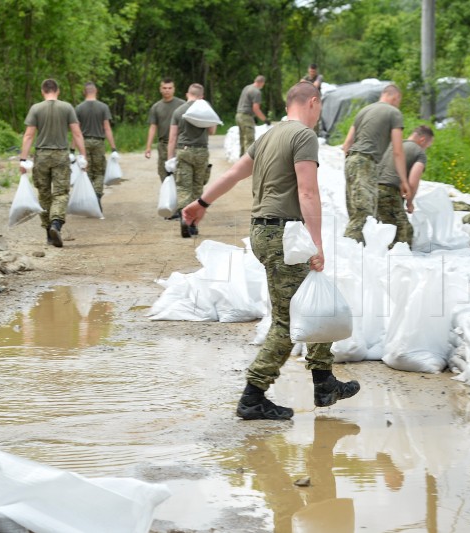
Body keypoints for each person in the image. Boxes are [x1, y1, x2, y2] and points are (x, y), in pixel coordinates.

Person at [183, 82, 360, 420]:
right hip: (286, 235)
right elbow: (308, 192)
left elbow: (234, 173)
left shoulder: (268, 136)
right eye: (319, 107)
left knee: (313, 303)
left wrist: (201, 202)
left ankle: (324, 382)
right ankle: (253, 395)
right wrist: (317, 244)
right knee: (288, 319)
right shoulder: (303, 136)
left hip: (265, 232)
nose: (319, 113)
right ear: (312, 102)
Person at [19, 78, 87, 248]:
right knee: (61, 193)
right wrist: (82, 156)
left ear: (43, 91)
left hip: (41, 156)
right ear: (58, 91)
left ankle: (48, 231)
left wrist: (23, 159)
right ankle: (56, 224)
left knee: (44, 193)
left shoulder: (36, 108)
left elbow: (28, 136)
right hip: (61, 156)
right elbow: (77, 134)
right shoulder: (67, 107)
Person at [341, 84, 407, 244]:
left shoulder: (364, 110)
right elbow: (398, 151)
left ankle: (357, 256)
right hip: (365, 163)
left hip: (350, 161)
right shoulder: (394, 113)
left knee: (355, 213)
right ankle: (346, 254)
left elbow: (346, 145)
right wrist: (404, 181)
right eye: (399, 101)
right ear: (395, 97)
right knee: (364, 215)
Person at [168, 83, 217, 238]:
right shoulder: (206, 108)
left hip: (184, 151)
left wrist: (169, 159)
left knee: (183, 188)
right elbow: (212, 131)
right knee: (197, 188)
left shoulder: (178, 111)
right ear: (201, 96)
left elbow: (173, 137)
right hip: (202, 151)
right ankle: (194, 225)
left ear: (187, 94)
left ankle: (184, 218)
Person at [376, 125, 434, 248]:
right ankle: (397, 264)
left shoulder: (393, 145)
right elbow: (413, 180)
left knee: (380, 230)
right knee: (404, 235)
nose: (426, 149)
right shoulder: (419, 153)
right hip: (389, 192)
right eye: (427, 146)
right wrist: (409, 202)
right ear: (422, 140)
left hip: (373, 191)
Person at [75, 82, 116, 211]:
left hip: (84, 142)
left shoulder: (79, 108)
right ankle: (97, 195)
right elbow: (107, 128)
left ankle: (89, 197)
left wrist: (72, 148)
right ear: (96, 91)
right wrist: (113, 148)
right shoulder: (103, 107)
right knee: (99, 172)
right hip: (99, 142)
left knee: (86, 171)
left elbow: (77, 130)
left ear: (84, 92)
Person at [145, 78, 185, 184]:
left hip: (179, 144)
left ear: (174, 89)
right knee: (163, 171)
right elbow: (153, 127)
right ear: (160, 89)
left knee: (180, 172)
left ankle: (179, 196)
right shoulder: (156, 107)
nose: (167, 90)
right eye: (164, 88)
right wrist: (148, 147)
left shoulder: (182, 105)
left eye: (169, 88)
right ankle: (167, 193)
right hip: (163, 145)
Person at [235, 75, 269, 158]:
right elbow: (256, 109)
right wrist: (265, 120)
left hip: (239, 115)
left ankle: (241, 160)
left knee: (242, 140)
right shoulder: (256, 92)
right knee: (249, 141)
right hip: (246, 117)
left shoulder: (247, 87)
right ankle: (248, 164)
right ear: (262, 83)